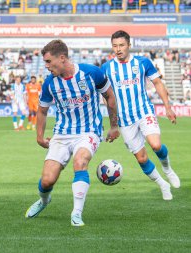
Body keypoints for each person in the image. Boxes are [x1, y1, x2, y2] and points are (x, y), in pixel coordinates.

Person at [25, 40, 119, 226]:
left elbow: (109, 95)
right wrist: (39, 137)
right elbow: (42, 111)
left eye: (49, 61)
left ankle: (76, 213)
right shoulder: (50, 84)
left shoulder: (91, 73)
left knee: (80, 161)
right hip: (62, 134)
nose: (46, 66)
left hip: (89, 131)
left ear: (62, 58)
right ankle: (44, 201)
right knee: (47, 181)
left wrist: (114, 126)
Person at [101, 30, 180, 201]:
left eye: (122, 45)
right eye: (115, 46)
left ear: (129, 45)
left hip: (144, 111)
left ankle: (167, 169)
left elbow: (157, 83)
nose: (118, 49)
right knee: (142, 158)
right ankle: (162, 184)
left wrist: (168, 107)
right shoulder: (107, 68)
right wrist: (113, 125)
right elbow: (107, 98)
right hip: (124, 120)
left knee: (156, 145)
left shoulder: (142, 62)